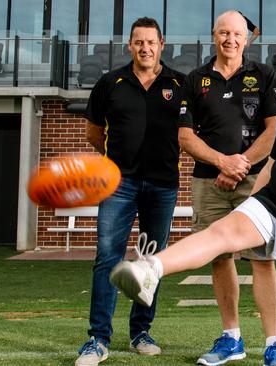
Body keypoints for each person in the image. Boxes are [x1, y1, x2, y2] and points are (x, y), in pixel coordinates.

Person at [109, 32, 276, 366]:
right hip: (273, 204)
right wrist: (251, 205)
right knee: (219, 234)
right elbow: (272, 167)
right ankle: (149, 269)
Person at [176, 10, 276, 366]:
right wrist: (221, 162)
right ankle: (232, 338)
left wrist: (238, 165)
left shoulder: (264, 75)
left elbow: (275, 130)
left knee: (262, 259)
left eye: (237, 33)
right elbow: (184, 136)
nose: (230, 39)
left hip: (256, 181)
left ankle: (273, 343)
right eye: (223, 33)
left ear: (246, 38)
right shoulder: (195, 80)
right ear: (214, 35)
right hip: (208, 182)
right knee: (220, 258)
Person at [75, 17, 186, 366]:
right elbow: (94, 133)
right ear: (130, 45)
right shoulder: (111, 83)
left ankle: (141, 332)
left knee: (151, 262)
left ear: (161, 44)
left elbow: (191, 132)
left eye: (151, 42)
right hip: (119, 184)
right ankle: (98, 339)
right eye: (139, 42)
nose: (145, 48)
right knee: (108, 258)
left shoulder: (179, 84)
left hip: (164, 184)